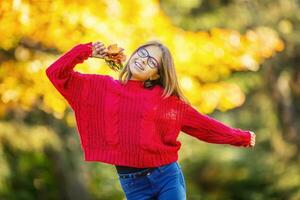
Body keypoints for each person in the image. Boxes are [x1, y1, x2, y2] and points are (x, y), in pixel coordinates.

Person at [46, 40, 256, 200]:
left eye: (151, 61)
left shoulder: (166, 100)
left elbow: (203, 125)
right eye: (142, 53)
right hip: (133, 184)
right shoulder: (100, 88)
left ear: (155, 75)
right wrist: (86, 51)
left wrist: (241, 137)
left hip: (166, 176)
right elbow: (55, 73)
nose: (143, 60)